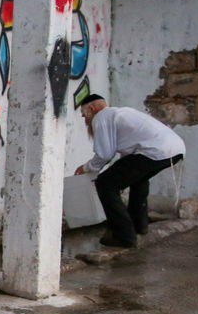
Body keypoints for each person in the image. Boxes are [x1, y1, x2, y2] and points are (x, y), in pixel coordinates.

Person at [74, 95, 185, 248]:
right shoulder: (121, 113)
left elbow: (105, 154)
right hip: (174, 149)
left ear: (92, 109)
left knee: (105, 184)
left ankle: (124, 236)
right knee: (138, 179)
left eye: (84, 116)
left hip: (155, 150)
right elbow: (126, 152)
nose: (85, 121)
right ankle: (139, 225)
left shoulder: (101, 117)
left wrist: (87, 168)